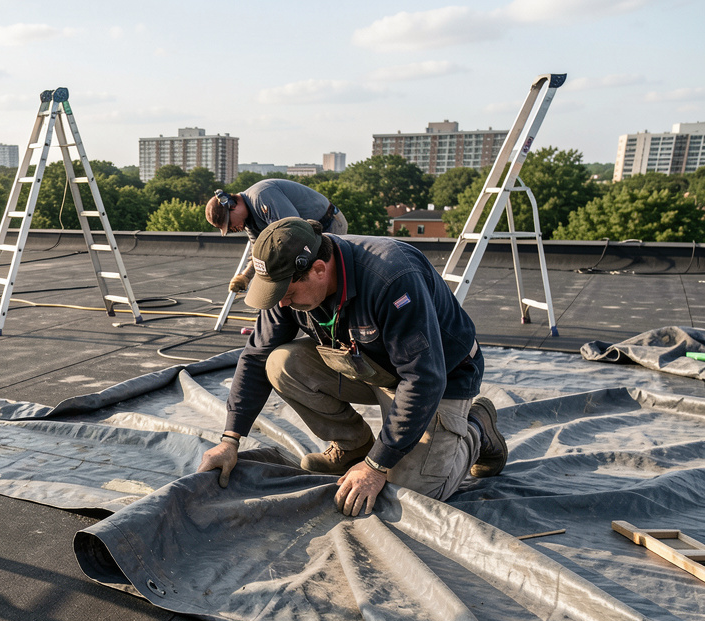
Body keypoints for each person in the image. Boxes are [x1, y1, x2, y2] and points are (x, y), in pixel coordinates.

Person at [197, 217, 507, 517]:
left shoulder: (392, 277)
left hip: (441, 375)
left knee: (415, 489)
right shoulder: (288, 283)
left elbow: (423, 377)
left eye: (288, 294)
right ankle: (353, 446)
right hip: (370, 363)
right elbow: (257, 356)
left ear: (319, 269)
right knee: (281, 363)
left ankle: (478, 429)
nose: (282, 305)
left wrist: (377, 465)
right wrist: (230, 440)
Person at [205, 178, 348, 294]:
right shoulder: (249, 221)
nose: (232, 229)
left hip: (329, 224)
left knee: (324, 276)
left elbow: (292, 233)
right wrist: (245, 276)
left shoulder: (262, 196)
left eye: (229, 224)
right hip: (308, 231)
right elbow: (259, 251)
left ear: (232, 206)